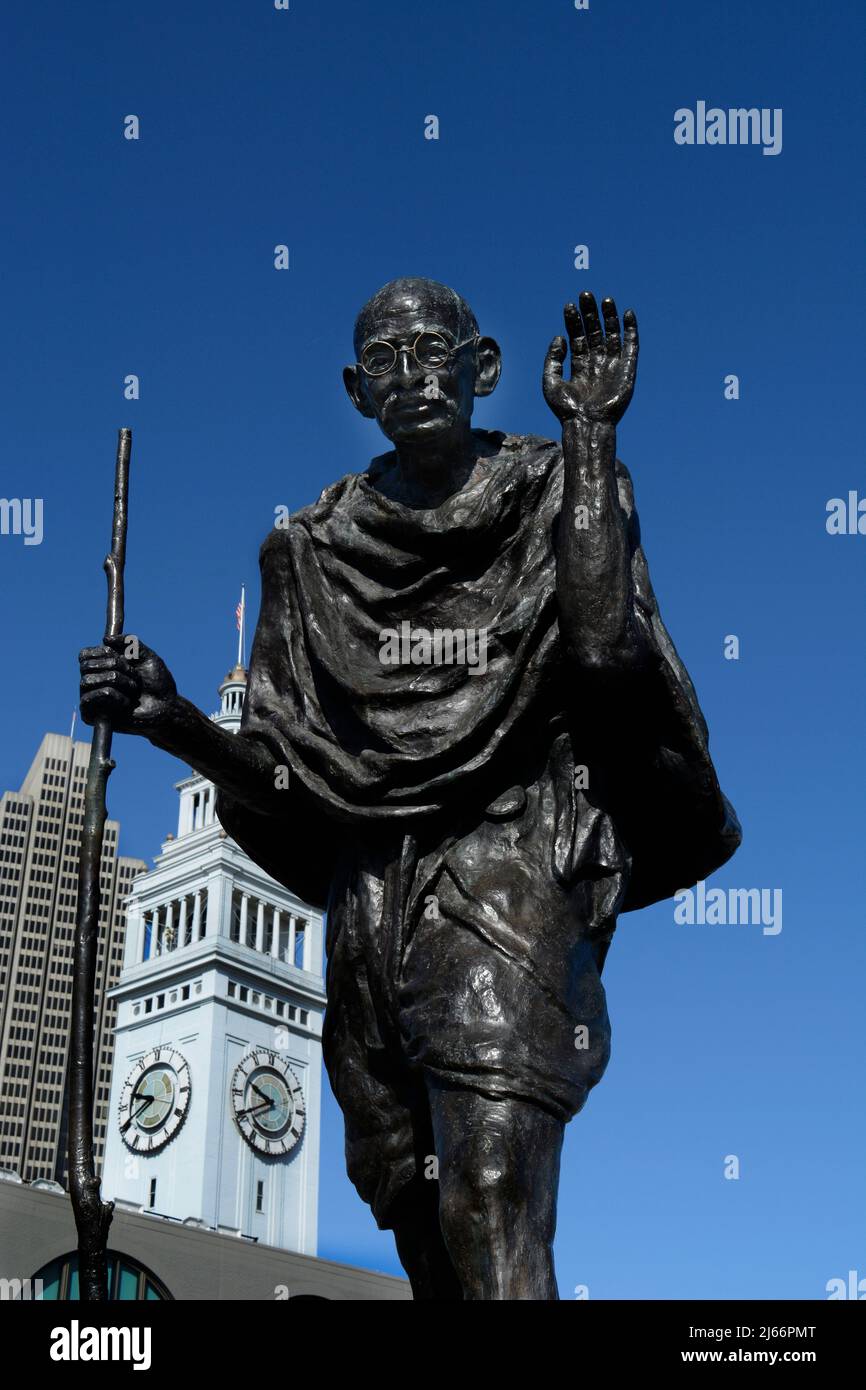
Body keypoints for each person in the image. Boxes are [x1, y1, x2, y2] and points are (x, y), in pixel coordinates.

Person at [80, 278, 740, 1299]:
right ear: (355, 390)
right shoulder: (308, 548)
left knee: (487, 1197)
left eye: (436, 350)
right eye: (385, 359)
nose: (413, 374)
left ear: (482, 369)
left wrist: (592, 439)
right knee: (421, 1226)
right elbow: (287, 773)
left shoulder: (557, 482)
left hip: (507, 871)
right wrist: (171, 720)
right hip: (370, 908)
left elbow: (606, 648)